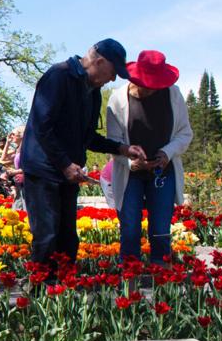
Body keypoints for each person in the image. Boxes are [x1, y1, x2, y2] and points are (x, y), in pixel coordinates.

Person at [20, 39, 147, 274]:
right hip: (43, 170)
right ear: (99, 61)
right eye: (112, 72)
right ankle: (39, 293)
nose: (113, 79)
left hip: (68, 172)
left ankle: (63, 291)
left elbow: (87, 136)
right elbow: (41, 126)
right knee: (47, 235)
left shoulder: (92, 91)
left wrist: (122, 149)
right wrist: (65, 164)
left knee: (68, 238)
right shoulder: (59, 76)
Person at [105, 50, 194, 265]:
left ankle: (160, 274)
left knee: (161, 229)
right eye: (149, 84)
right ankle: (129, 276)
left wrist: (167, 152)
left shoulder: (173, 95)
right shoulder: (117, 100)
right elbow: (113, 143)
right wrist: (131, 162)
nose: (153, 88)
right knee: (130, 227)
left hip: (162, 171)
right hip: (130, 174)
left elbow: (185, 133)